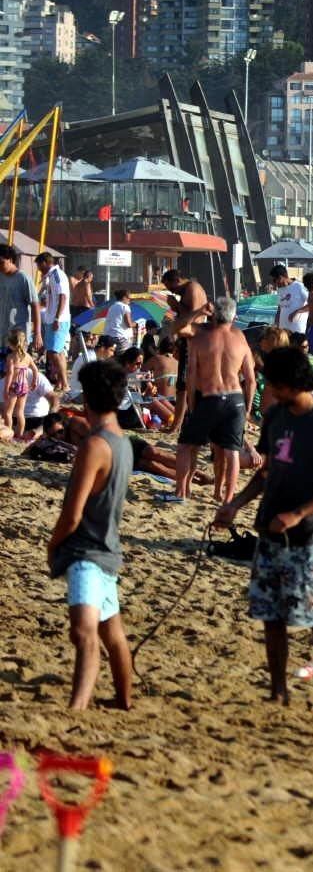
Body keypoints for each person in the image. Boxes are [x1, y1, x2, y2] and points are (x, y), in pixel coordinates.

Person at [212, 346, 313, 710]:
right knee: (270, 616)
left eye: (273, 383)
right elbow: (266, 471)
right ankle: (278, 690)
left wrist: (298, 513)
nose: (269, 390)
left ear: (289, 382)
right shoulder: (275, 417)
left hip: (309, 540)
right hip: (269, 534)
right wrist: (235, 505)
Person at [47, 359, 135, 711]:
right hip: (108, 547)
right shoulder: (123, 442)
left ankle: (78, 707)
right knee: (111, 633)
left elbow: (73, 512)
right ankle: (124, 699)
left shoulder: (94, 445)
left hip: (87, 551)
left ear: (87, 398)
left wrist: (53, 544)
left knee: (83, 631)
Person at [171, 297, 255, 505]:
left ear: (213, 315)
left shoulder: (200, 335)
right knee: (231, 452)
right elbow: (250, 379)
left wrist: (191, 402)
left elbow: (191, 372)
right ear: (234, 317)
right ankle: (228, 498)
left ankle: (180, 493)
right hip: (235, 399)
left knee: (185, 446)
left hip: (210, 397)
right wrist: (247, 409)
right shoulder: (240, 337)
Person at [36, 251, 71, 389]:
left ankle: (65, 384)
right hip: (51, 318)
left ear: (45, 263)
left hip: (59, 320)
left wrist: (57, 318)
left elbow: (63, 296)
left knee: (54, 352)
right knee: (55, 352)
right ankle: (61, 382)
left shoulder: (57, 275)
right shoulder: (50, 276)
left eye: (39, 265)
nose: (39, 269)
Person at [2, 326, 37, 440]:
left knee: (8, 412)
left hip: (14, 386)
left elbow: (10, 374)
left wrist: (6, 389)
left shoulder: (11, 357)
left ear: (11, 344)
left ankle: (8, 434)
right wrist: (34, 381)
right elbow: (35, 369)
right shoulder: (27, 356)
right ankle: (20, 434)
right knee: (20, 412)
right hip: (24, 386)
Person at [270, 265, 308, 338]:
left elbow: (312, 304)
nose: (274, 284)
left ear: (281, 277)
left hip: (297, 331)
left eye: (274, 280)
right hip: (283, 333)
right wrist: (276, 324)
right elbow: (280, 308)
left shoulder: (299, 286)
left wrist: (297, 311)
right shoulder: (280, 290)